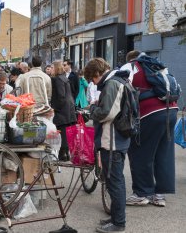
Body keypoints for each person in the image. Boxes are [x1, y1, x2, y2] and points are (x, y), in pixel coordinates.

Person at [120, 50, 178, 207]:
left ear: (130, 59)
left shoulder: (130, 66)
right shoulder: (157, 65)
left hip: (149, 113)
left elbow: (122, 90)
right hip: (171, 111)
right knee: (163, 152)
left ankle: (142, 193)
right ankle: (159, 194)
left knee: (140, 151)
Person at [84, 58, 130, 233]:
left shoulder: (111, 84)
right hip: (117, 139)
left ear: (96, 73)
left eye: (92, 79)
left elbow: (106, 113)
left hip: (112, 141)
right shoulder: (119, 80)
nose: (94, 83)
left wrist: (93, 109)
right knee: (115, 181)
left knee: (114, 182)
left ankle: (119, 223)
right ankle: (116, 217)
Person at [50, 60, 76, 161]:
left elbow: (61, 95)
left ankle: (63, 154)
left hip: (63, 109)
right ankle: (65, 154)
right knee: (66, 131)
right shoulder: (63, 77)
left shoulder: (57, 79)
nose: (51, 69)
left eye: (52, 67)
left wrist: (55, 108)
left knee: (63, 131)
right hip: (68, 107)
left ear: (56, 68)